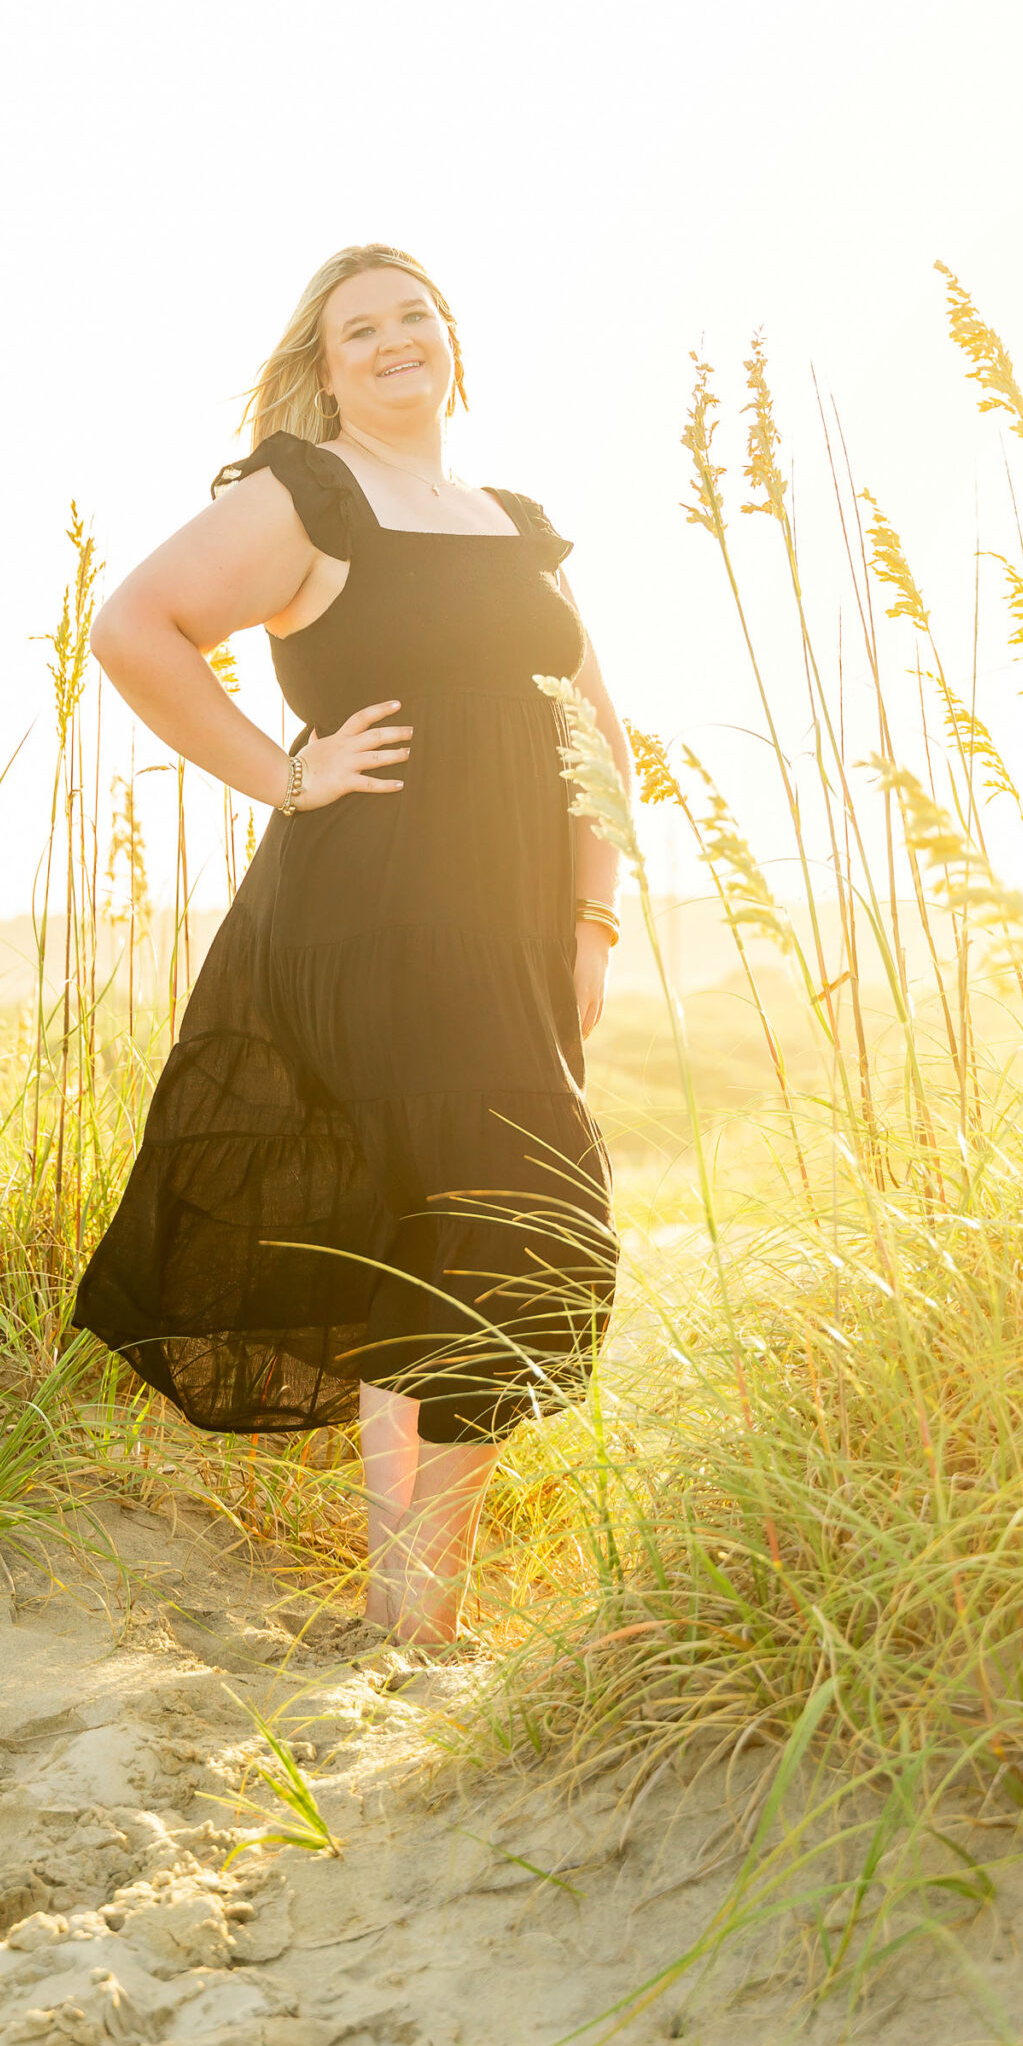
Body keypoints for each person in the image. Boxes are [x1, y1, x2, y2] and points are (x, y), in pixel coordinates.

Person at [74, 244, 629, 1648]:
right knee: (496, 1217)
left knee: (457, 1232)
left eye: (415, 317)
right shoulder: (308, 497)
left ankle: (407, 1611)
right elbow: (134, 627)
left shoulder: (514, 524)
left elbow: (599, 741)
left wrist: (591, 918)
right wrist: (284, 773)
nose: (394, 342)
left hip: (511, 932)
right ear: (324, 369)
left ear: (453, 341)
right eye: (360, 329)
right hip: (372, 915)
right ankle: (418, 1617)